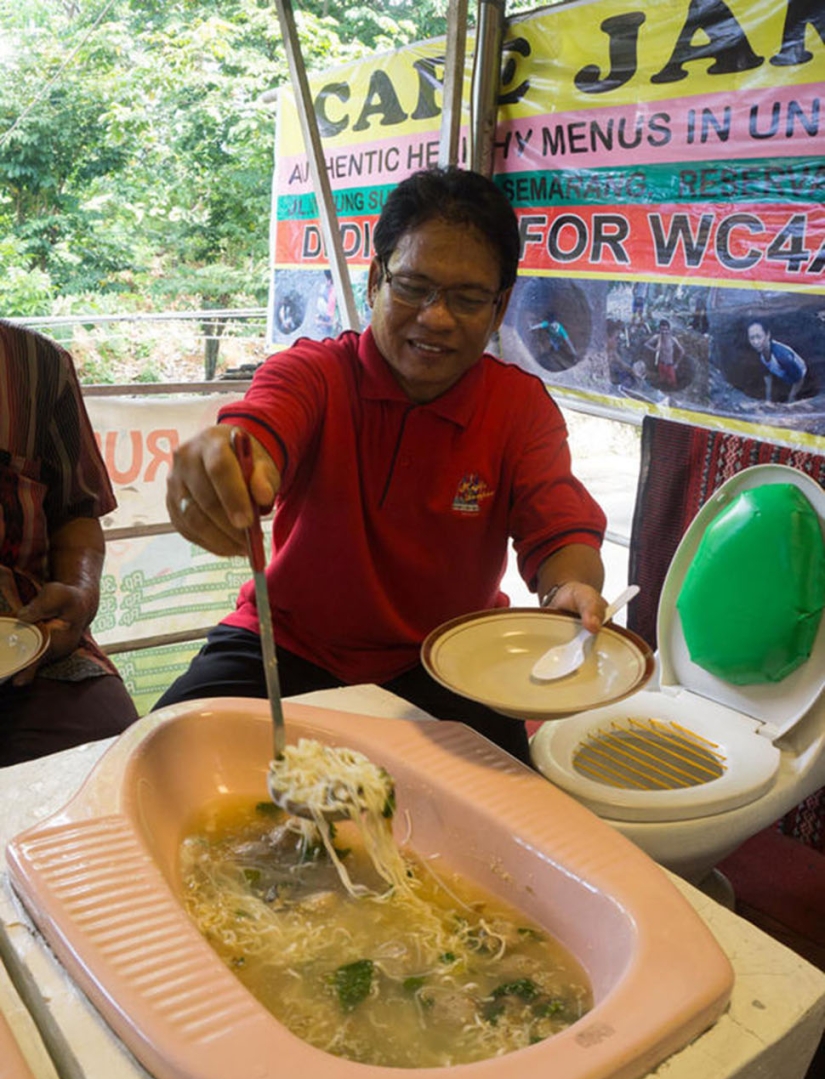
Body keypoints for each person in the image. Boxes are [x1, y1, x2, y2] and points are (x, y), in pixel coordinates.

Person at [156, 168, 608, 763]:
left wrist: (571, 588)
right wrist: (231, 462)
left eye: (468, 298)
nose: (436, 317)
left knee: (516, 802)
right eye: (414, 287)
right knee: (158, 751)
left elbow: (561, 532)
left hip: (449, 661)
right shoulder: (314, 374)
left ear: (499, 308)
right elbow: (258, 432)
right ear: (376, 281)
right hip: (286, 644)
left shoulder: (519, 408)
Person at [0, 322, 139, 766]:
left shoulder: (37, 365)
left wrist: (79, 593)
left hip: (25, 638)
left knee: (108, 756)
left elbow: (76, 513)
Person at [746, 319, 807, 403]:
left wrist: (791, 398)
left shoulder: (782, 357)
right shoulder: (760, 351)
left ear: (768, 335)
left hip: (800, 377)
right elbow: (767, 376)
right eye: (752, 338)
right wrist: (768, 399)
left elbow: (799, 378)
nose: (755, 342)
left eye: (759, 337)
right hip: (782, 375)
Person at [644, 319, 684, 389]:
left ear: (669, 330)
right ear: (659, 329)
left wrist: (677, 363)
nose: (664, 332)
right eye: (662, 329)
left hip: (670, 365)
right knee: (662, 380)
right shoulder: (657, 337)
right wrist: (654, 350)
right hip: (661, 364)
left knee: (673, 383)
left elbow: (682, 351)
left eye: (666, 330)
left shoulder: (672, 339)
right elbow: (646, 344)